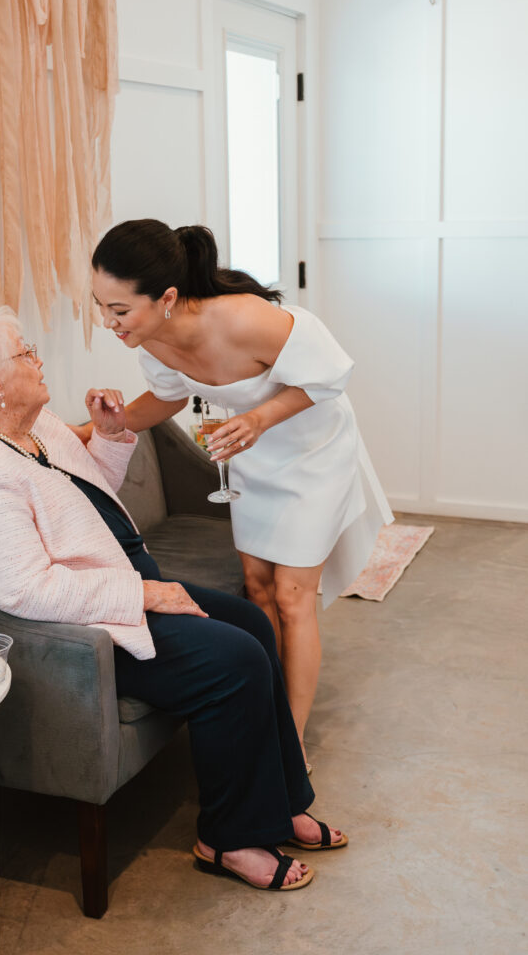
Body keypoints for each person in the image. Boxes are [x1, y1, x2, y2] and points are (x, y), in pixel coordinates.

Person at [0, 301, 347, 894]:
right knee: (234, 661)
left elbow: (90, 498)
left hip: (123, 577)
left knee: (252, 621)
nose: (39, 361)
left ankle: (283, 802)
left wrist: (113, 435)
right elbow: (23, 587)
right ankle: (226, 838)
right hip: (92, 621)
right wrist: (141, 591)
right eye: (26, 353)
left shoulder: (32, 427)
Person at [90, 219, 393, 766]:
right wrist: (90, 430)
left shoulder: (244, 319)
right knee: (257, 588)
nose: (109, 323)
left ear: (168, 298)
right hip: (251, 453)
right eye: (101, 307)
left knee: (293, 596)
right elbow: (165, 401)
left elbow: (329, 377)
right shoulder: (152, 341)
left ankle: (289, 742)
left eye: (119, 310)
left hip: (311, 451)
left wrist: (258, 419)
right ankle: (267, 710)